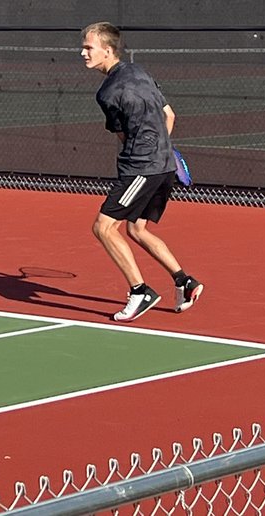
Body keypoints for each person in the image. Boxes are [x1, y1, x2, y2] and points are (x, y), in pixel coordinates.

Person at [81, 21, 203, 322]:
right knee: (136, 229)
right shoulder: (141, 72)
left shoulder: (108, 92)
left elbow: (123, 138)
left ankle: (140, 291)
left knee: (104, 227)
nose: (82, 53)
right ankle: (184, 281)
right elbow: (168, 115)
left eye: (88, 47)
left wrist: (138, 163)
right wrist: (163, 152)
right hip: (163, 165)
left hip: (142, 168)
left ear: (108, 50)